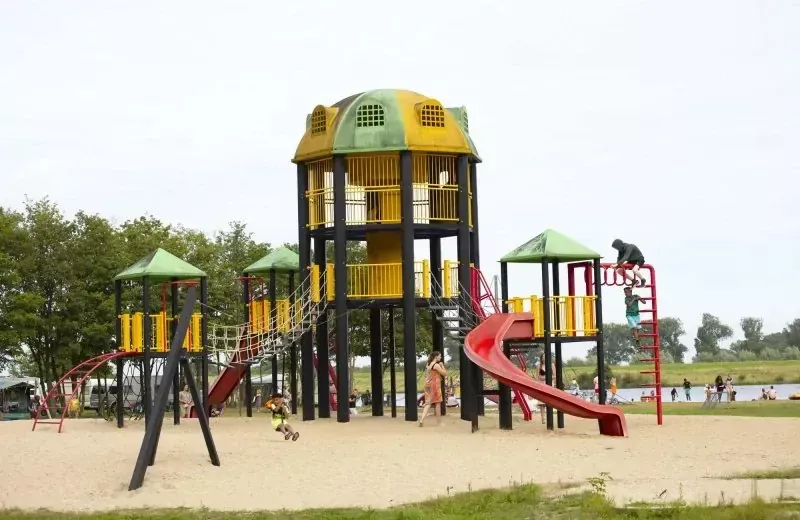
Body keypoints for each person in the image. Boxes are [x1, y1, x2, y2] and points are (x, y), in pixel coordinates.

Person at [419, 351, 447, 427]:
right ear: (436, 357)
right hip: (435, 385)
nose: (440, 357)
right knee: (438, 402)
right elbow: (444, 373)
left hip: (427, 384)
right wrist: (442, 365)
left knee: (428, 403)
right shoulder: (436, 365)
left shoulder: (428, 364)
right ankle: (439, 422)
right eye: (440, 356)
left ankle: (422, 420)